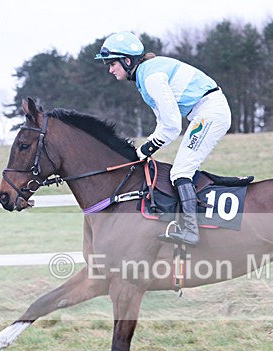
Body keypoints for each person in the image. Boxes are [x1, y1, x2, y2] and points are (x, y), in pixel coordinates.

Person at [95, 31, 232, 247]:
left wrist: (141, 152)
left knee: (181, 172)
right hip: (206, 111)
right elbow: (165, 127)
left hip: (211, 112)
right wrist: (143, 150)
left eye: (112, 63)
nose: (110, 69)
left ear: (127, 60)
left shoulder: (151, 78)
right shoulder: (146, 75)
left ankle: (191, 231)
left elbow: (171, 126)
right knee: (181, 170)